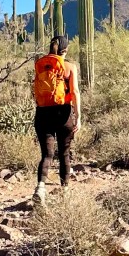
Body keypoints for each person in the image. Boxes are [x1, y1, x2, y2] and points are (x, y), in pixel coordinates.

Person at [32, 34, 81, 205]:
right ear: (65, 50)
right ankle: (65, 191)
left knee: (46, 154)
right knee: (64, 153)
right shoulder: (69, 67)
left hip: (43, 112)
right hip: (63, 113)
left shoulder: (41, 65)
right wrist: (78, 116)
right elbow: (74, 92)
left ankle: (40, 188)